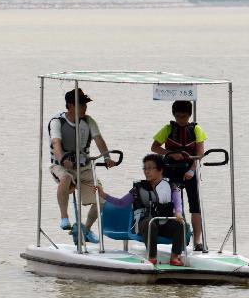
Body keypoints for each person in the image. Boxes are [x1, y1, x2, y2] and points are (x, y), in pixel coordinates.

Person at [48, 88, 115, 243]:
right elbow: (56, 143)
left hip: (83, 166)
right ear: (70, 106)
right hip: (61, 165)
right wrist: (62, 158)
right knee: (65, 178)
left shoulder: (88, 120)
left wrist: (107, 157)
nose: (85, 107)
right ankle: (64, 217)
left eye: (85, 104)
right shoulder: (57, 122)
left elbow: (99, 139)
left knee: (102, 199)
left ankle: (86, 229)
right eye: (81, 104)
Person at [98, 154, 186, 265]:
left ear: (160, 170)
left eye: (150, 168)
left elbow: (178, 203)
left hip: (165, 223)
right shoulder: (138, 188)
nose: (146, 171)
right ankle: (152, 257)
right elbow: (121, 203)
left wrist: (178, 213)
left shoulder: (171, 186)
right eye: (145, 168)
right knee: (150, 224)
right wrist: (103, 195)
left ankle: (175, 257)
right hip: (144, 224)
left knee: (180, 225)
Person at [150, 100, 207, 251]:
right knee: (176, 205)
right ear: (174, 115)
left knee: (195, 206)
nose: (181, 120)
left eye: (184, 117)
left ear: (189, 115)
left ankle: (197, 241)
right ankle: (179, 238)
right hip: (171, 171)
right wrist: (170, 153)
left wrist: (192, 170)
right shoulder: (168, 129)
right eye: (178, 116)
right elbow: (154, 147)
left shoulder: (196, 129)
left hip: (189, 170)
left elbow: (200, 153)